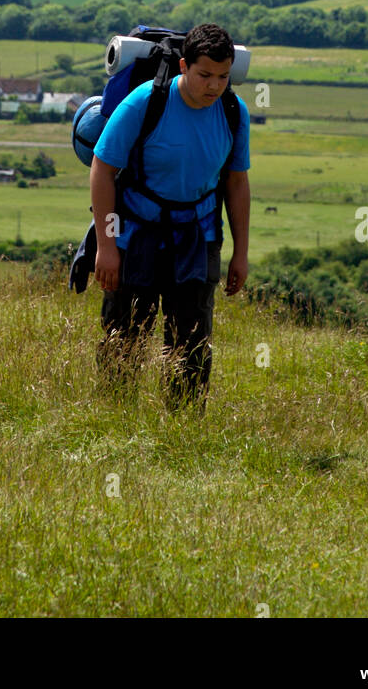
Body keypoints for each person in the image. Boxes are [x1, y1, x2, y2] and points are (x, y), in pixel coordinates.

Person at [90, 22, 250, 405]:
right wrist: (106, 247)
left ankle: (183, 428)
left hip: (198, 237)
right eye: (205, 75)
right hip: (136, 234)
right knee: (124, 333)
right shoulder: (146, 102)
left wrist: (240, 255)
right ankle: (113, 415)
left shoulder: (232, 111)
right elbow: (103, 170)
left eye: (223, 76)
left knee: (192, 340)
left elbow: (237, 185)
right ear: (183, 66)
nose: (214, 86)